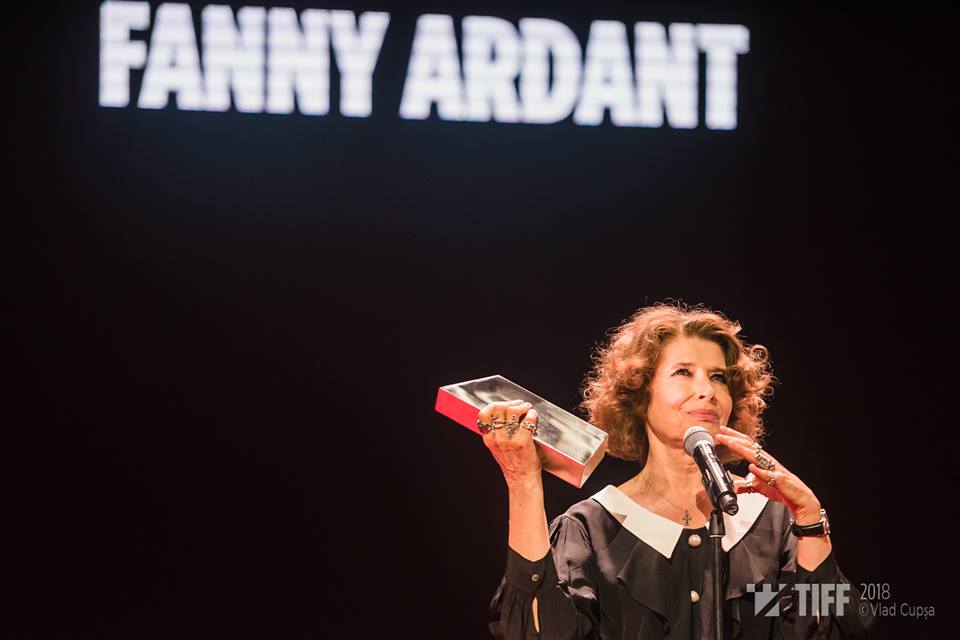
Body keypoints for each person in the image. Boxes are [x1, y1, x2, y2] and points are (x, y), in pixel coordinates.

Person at [481, 303, 875, 639]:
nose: (706, 390)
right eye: (683, 372)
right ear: (639, 393)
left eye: (718, 377)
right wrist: (523, 480)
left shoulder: (772, 522)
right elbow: (536, 633)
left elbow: (832, 629)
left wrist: (809, 521)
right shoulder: (593, 526)